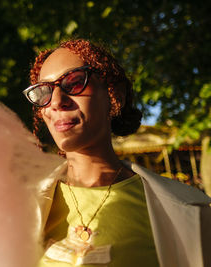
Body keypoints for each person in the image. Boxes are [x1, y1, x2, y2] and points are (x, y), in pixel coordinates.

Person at [23, 39, 211, 267]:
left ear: (115, 95)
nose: (56, 101)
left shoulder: (187, 210)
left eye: (74, 83)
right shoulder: (22, 204)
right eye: (43, 92)